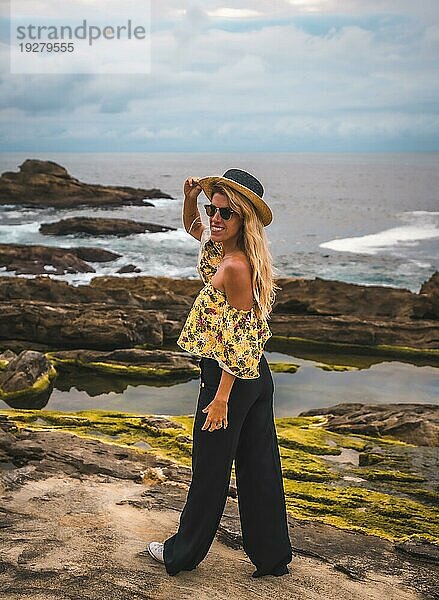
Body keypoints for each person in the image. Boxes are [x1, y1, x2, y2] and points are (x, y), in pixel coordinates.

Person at [146, 169, 293, 578]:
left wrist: (221, 396)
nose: (215, 218)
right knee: (260, 467)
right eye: (214, 209)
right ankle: (273, 558)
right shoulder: (223, 250)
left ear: (243, 219)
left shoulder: (236, 266)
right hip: (253, 378)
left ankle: (180, 554)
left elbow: (242, 338)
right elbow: (195, 228)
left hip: (232, 377)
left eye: (225, 214)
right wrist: (191, 197)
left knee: (209, 471)